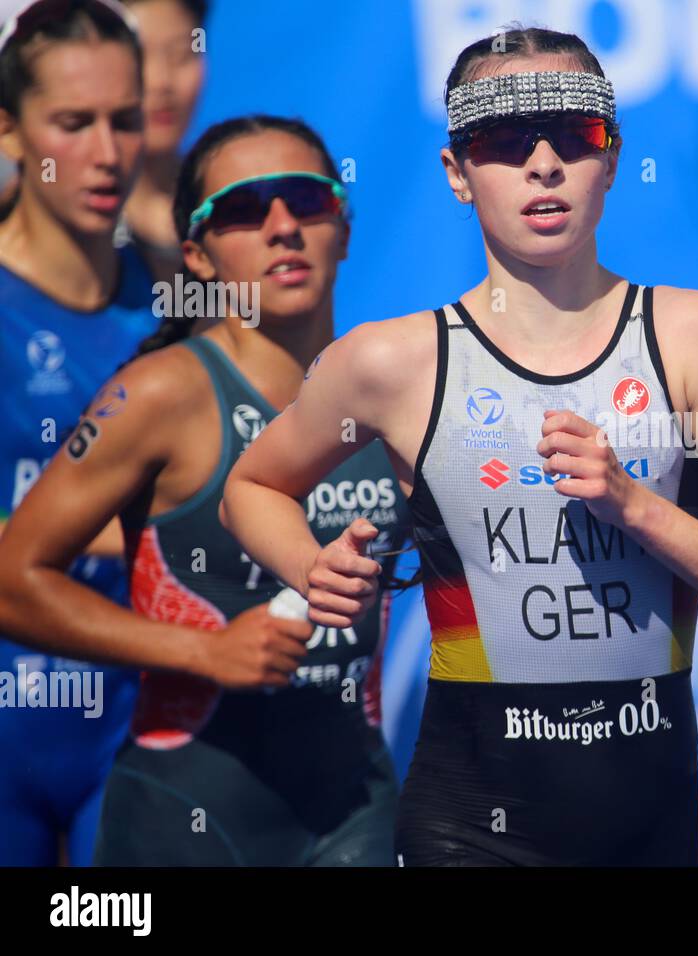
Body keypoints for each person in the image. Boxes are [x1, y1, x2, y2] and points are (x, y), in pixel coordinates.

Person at [221, 26, 698, 867]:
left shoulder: (695, 335)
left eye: (573, 137)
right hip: (467, 829)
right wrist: (312, 569)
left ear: (611, 158)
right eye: (505, 141)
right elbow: (251, 487)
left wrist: (635, 507)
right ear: (456, 174)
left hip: (651, 833)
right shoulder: (393, 361)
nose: (543, 164)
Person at [0, 113, 412, 865]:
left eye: (305, 199)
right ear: (198, 255)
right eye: (244, 211)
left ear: (343, 228)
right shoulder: (161, 396)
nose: (282, 226)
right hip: (184, 812)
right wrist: (203, 650)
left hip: (357, 807)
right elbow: (11, 583)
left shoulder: (393, 391)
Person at [0, 0, 157, 866]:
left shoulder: (181, 302)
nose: (106, 155)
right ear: (10, 130)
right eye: (73, 123)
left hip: (136, 731)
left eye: (124, 121)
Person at [116, 0, 206, 282]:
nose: (161, 82)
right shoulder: (52, 215)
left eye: (182, 55)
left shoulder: (229, 207)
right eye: (137, 57)